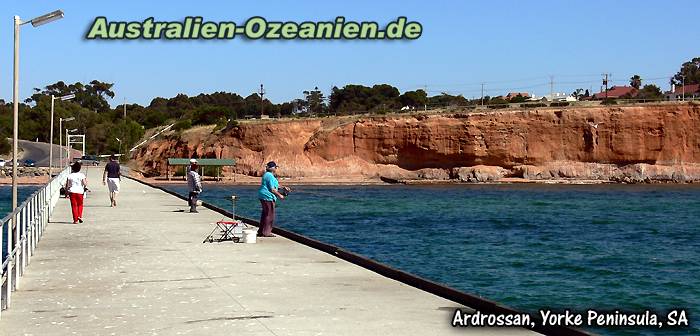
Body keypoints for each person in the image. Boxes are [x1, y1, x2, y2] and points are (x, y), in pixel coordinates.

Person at [257, 161, 288, 237]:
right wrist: (280, 195)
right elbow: (272, 189)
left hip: (263, 196)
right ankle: (266, 233)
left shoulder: (268, 175)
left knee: (265, 214)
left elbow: (275, 186)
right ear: (272, 168)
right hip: (267, 197)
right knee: (270, 215)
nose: (276, 168)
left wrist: (283, 188)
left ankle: (261, 231)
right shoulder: (269, 176)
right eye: (275, 167)